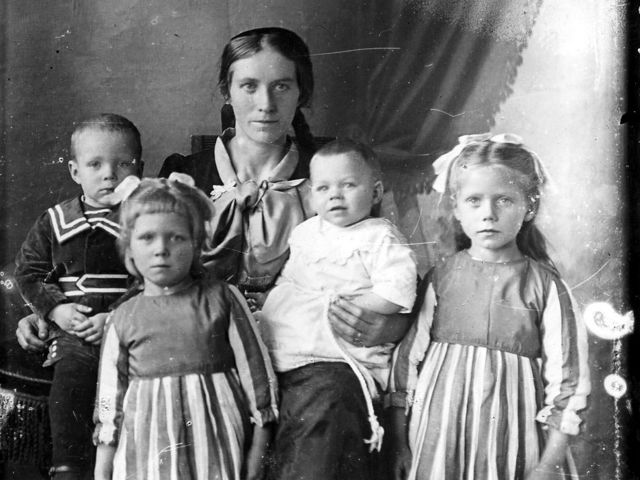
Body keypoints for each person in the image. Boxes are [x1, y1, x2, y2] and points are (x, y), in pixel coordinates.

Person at [157, 26, 411, 347]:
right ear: (226, 91)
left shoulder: (336, 180)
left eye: (281, 86)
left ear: (300, 93)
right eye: (249, 86)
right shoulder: (184, 175)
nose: (266, 103)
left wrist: (391, 327)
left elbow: (395, 273)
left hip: (306, 342)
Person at [387, 134, 591, 480]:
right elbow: (406, 363)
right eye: (474, 201)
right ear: (456, 208)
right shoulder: (441, 277)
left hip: (512, 438)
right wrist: (400, 443)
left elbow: (569, 380)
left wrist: (549, 463)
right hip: (439, 435)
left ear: (529, 207)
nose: (489, 214)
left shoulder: (545, 286)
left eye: (504, 200)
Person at [93, 177, 278, 480]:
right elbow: (108, 404)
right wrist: (102, 473)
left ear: (196, 243)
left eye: (176, 237)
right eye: (147, 237)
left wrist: (257, 457)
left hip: (216, 449)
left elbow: (258, 379)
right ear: (129, 248)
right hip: (147, 454)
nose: (161, 249)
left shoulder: (222, 299)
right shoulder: (122, 317)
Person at [258, 139, 417, 480]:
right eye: (324, 188)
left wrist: (351, 306)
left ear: (375, 192)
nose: (335, 196)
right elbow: (289, 280)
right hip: (292, 345)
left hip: (344, 349)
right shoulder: (306, 233)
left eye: (348, 185)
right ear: (312, 195)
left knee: (327, 401)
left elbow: (398, 292)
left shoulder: (380, 236)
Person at [13, 113, 143, 479]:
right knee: (71, 380)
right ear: (74, 171)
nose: (109, 175)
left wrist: (115, 318)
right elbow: (29, 273)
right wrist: (55, 309)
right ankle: (68, 466)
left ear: (140, 168)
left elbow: (153, 278)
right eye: (95, 164)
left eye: (123, 164)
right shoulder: (55, 222)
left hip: (130, 325)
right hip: (75, 329)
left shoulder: (145, 220)